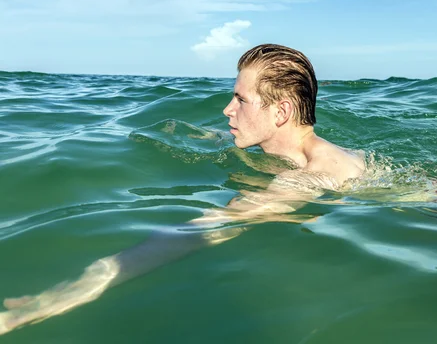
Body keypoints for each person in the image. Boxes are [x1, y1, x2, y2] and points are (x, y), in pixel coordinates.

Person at [0, 44, 366, 335]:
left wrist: (55, 299)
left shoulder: (309, 177)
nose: (227, 109)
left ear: (281, 111)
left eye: (240, 99)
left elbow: (199, 232)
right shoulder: (287, 150)